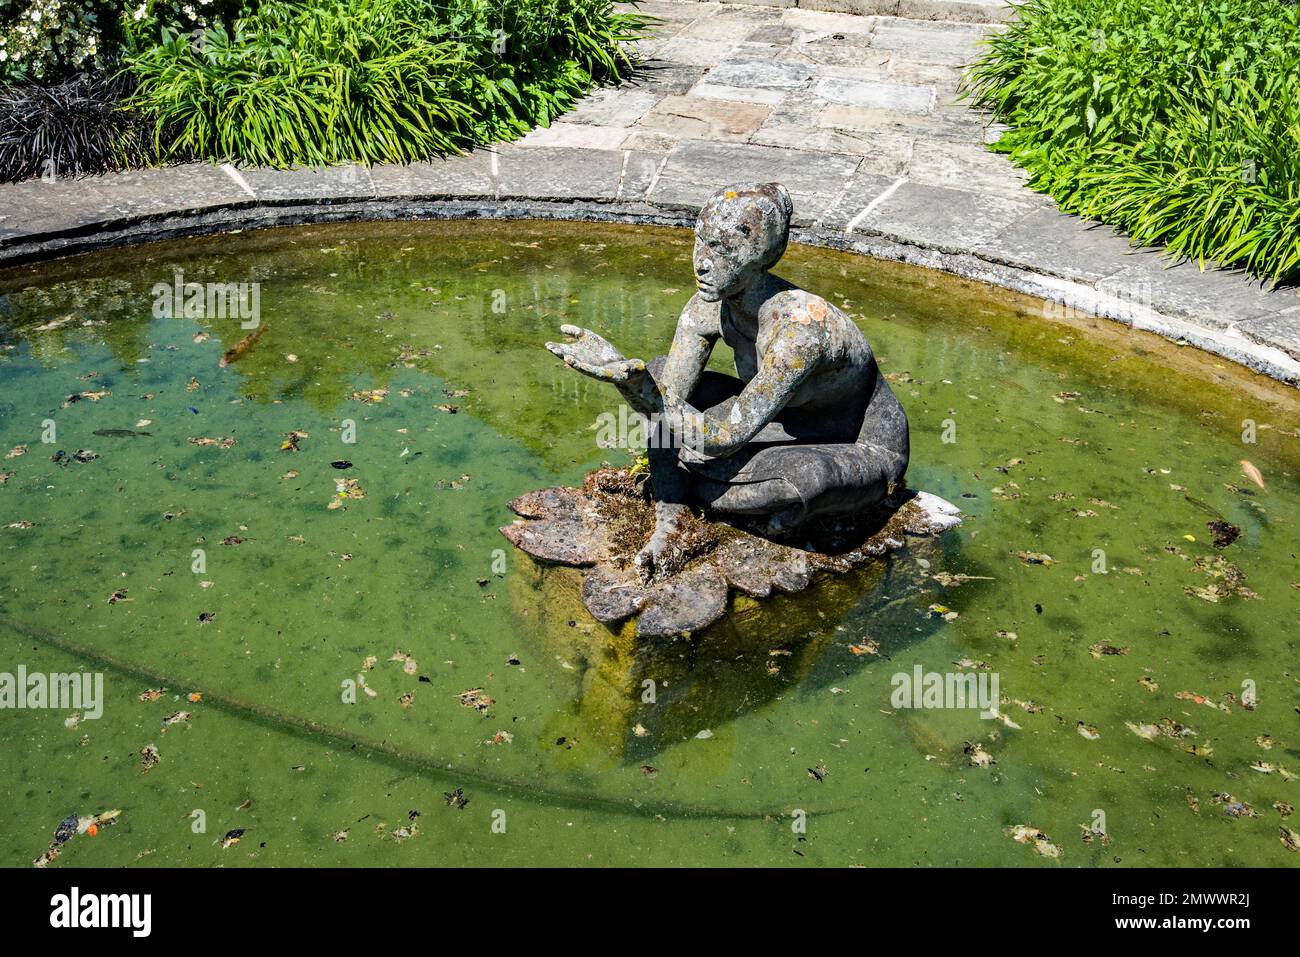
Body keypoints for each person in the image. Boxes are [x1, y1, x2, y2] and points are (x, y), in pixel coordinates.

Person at [547, 182, 908, 581]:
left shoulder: (799, 331)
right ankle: (694, 492)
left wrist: (642, 392)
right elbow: (669, 401)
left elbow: (722, 437)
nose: (700, 262)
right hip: (779, 421)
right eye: (699, 242)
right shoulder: (707, 306)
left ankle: (710, 484)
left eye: (719, 249)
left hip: (855, 442)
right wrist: (669, 515)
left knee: (802, 481)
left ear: (760, 256)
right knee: (659, 369)